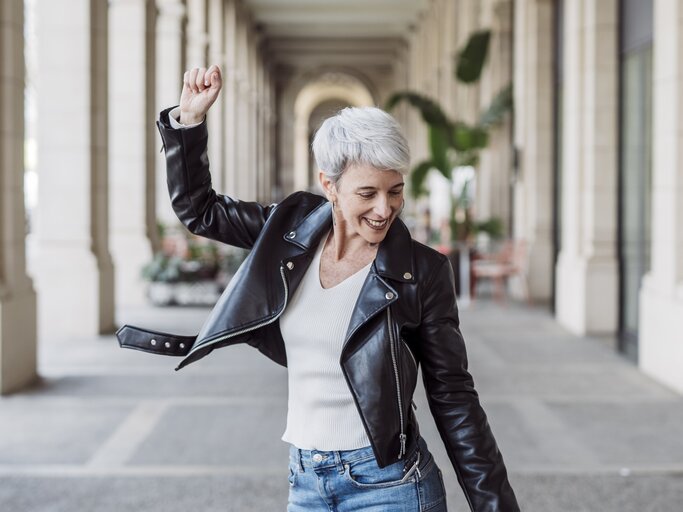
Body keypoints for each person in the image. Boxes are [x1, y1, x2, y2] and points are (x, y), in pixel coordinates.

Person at [117, 64, 520, 512]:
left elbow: (454, 396)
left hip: (391, 486)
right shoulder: (286, 231)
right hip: (306, 482)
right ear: (329, 184)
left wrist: (495, 506)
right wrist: (188, 123)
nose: (385, 209)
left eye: (395, 191)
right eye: (367, 193)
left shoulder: (422, 272)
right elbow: (200, 211)